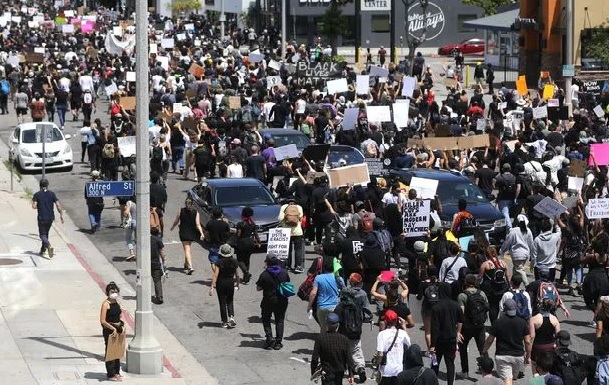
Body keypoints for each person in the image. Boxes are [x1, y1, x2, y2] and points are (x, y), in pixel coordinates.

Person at [482, 299, 532, 385]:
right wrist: (528, 356)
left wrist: (484, 350)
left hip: (502, 355)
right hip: (518, 356)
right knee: (513, 379)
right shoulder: (522, 322)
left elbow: (490, 340)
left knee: (507, 380)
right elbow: (527, 341)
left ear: (504, 309)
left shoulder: (498, 322)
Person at [456, 274, 489, 380]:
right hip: (480, 325)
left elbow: (461, 314)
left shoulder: (462, 296)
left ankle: (465, 371)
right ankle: (487, 371)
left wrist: (458, 331)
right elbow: (486, 307)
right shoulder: (482, 293)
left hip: (467, 327)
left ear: (465, 282)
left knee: (463, 348)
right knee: (483, 348)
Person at [430, 282, 463, 385]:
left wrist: (432, 345)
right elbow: (461, 320)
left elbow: (434, 328)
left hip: (439, 340)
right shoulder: (455, 305)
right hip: (451, 338)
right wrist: (458, 332)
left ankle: (433, 382)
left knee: (435, 363)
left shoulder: (436, 307)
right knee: (450, 364)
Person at [256, 255, 290, 350]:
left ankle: (269, 338)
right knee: (279, 320)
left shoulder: (264, 274)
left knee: (266, 319)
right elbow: (287, 283)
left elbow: (258, 288)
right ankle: (278, 342)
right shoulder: (284, 273)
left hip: (268, 301)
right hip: (282, 301)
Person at [310, 312, 354, 385]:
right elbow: (349, 359)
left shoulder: (320, 338)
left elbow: (315, 358)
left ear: (327, 325)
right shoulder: (344, 339)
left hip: (326, 371)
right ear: (338, 325)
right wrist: (351, 374)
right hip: (340, 372)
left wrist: (313, 371)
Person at [375, 310, 411, 385]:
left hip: (385, 370)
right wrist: (404, 327)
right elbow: (409, 343)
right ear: (396, 321)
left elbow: (380, 354)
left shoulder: (381, 334)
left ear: (385, 321)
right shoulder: (402, 333)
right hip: (398, 369)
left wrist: (376, 364)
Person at [307, 257, 342, 333]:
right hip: (334, 306)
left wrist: (309, 306)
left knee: (323, 328)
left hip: (322, 307)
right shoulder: (337, 278)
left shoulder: (319, 278)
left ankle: (323, 341)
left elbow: (313, 293)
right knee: (334, 329)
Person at [209, 244, 240, 328]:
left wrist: (212, 287)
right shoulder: (234, 261)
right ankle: (231, 316)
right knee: (230, 300)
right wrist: (237, 283)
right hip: (230, 282)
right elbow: (237, 274)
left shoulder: (218, 262)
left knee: (222, 301)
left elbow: (215, 275)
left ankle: (224, 321)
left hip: (221, 282)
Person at [32, 178, 64, 258]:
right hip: (50, 218)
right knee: (46, 233)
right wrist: (61, 215)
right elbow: (58, 205)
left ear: (40, 185)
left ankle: (48, 246)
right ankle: (43, 250)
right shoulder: (52, 194)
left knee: (42, 235)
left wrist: (35, 203)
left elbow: (34, 206)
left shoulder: (37, 194)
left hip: (42, 217)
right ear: (47, 185)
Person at [99, 282, 125, 381]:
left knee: (117, 351)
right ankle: (110, 374)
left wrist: (121, 325)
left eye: (116, 291)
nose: (114, 293)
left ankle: (117, 372)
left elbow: (119, 315)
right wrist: (112, 328)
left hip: (118, 329)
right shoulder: (106, 304)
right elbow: (102, 320)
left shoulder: (116, 303)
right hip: (109, 330)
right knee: (110, 351)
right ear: (108, 292)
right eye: (112, 291)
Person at [170, 198, 203, 275]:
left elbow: (176, 221)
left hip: (183, 233)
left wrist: (173, 227)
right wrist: (202, 233)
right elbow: (198, 224)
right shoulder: (196, 212)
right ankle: (186, 263)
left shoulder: (181, 211)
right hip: (192, 233)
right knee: (187, 248)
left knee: (187, 250)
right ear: (192, 204)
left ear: (185, 203)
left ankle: (190, 267)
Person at [500, 215, 535, 286]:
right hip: (525, 255)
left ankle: (527, 285)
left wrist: (502, 250)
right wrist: (533, 256)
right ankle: (513, 285)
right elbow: (531, 244)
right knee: (516, 269)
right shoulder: (528, 231)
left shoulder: (513, 230)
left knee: (520, 270)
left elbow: (507, 242)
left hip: (516, 254)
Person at [529, 299, 560, 374]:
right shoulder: (555, 319)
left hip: (537, 348)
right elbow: (558, 336)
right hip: (550, 347)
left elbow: (532, 337)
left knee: (536, 371)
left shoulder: (533, 319)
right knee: (548, 370)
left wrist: (528, 353)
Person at [278, 198, 305, 273]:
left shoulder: (283, 207)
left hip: (286, 232)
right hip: (297, 232)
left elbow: (280, 218)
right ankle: (298, 266)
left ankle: (288, 266)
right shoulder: (299, 207)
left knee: (288, 250)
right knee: (298, 249)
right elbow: (300, 218)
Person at [235, 207, 260, 283]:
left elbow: (238, 234)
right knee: (247, 260)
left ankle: (246, 273)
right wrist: (258, 242)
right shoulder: (252, 224)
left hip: (242, 242)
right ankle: (246, 278)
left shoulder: (240, 224)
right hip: (250, 242)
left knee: (239, 260)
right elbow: (256, 235)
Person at [203, 206, 231, 276]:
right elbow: (228, 233)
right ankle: (224, 274)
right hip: (223, 245)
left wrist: (207, 239)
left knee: (213, 262)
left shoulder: (210, 223)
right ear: (221, 214)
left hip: (213, 245)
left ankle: (217, 275)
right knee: (224, 261)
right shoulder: (224, 224)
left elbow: (206, 233)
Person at [151, 225, 166, 304]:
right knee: (157, 281)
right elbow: (161, 252)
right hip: (155, 263)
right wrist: (164, 259)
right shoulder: (158, 240)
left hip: (146, 263)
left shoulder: (146, 239)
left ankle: (143, 294)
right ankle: (159, 296)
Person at [123, 196, 137, 261]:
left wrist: (125, 210)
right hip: (140, 223)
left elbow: (126, 212)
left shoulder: (129, 202)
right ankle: (140, 254)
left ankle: (132, 253)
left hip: (131, 223)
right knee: (138, 239)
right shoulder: (141, 203)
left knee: (128, 238)